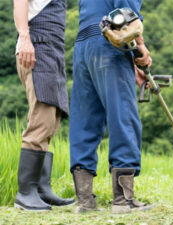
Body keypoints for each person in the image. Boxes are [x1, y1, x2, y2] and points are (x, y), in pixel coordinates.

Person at [70, 0, 154, 214]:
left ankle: (85, 201)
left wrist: (131, 64)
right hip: (109, 46)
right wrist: (141, 49)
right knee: (123, 116)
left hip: (83, 47)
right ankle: (123, 201)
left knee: (84, 120)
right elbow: (128, 18)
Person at [13, 0, 75, 211]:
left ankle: (41, 189)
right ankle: (25, 193)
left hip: (52, 50)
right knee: (42, 117)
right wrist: (24, 38)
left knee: (51, 120)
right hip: (36, 46)